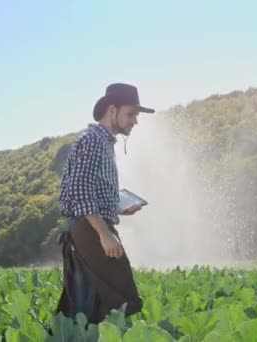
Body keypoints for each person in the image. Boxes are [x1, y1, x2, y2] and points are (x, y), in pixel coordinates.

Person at [55, 83, 155, 324]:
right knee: (117, 298)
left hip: (90, 227)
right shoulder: (92, 140)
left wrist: (119, 208)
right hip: (89, 229)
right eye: (131, 114)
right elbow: (80, 191)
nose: (135, 121)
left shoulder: (103, 142)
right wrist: (104, 234)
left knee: (89, 298)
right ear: (112, 111)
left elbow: (89, 190)